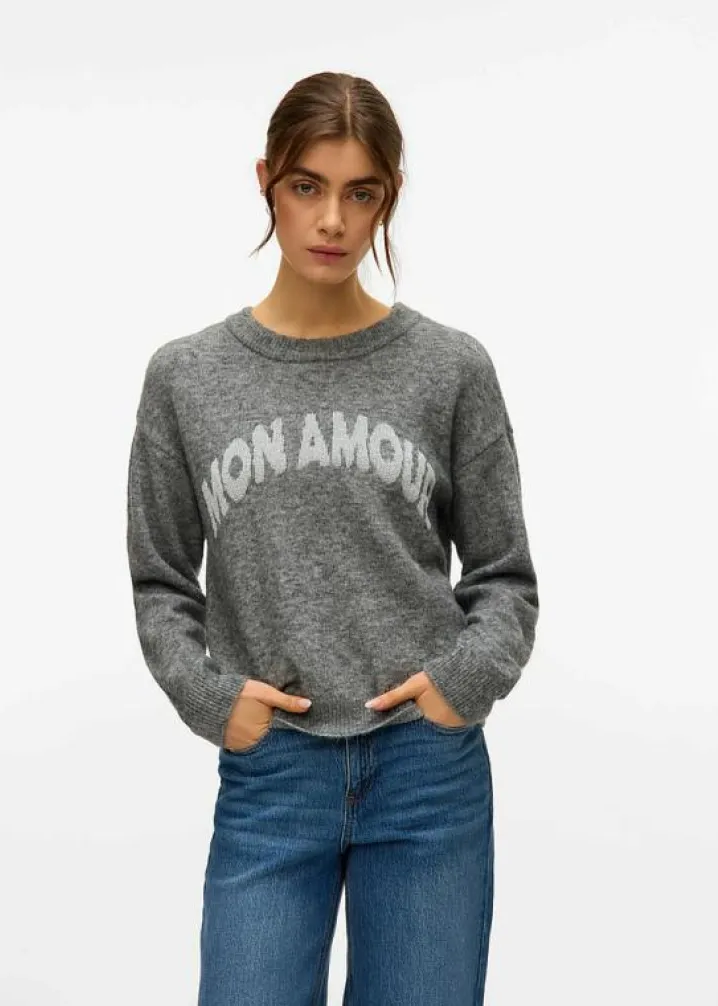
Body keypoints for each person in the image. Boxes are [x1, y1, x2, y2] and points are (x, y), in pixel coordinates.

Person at [126, 70, 539, 1006]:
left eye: (361, 194)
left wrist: (460, 686)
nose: (331, 221)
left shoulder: (449, 369)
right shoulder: (187, 377)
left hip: (426, 775)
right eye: (307, 186)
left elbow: (505, 577)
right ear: (266, 181)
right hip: (273, 775)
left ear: (390, 197)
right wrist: (213, 698)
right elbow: (160, 582)